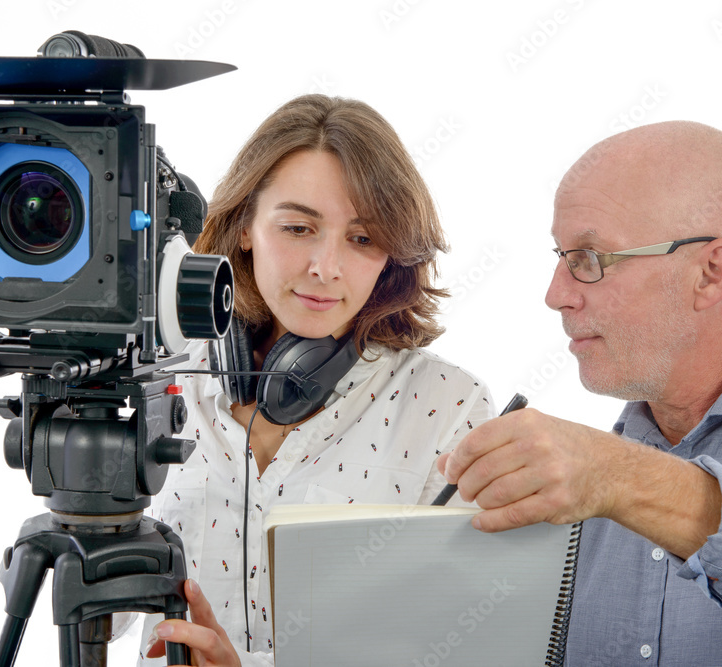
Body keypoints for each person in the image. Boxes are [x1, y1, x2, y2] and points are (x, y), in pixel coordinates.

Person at [439, 121, 722, 665]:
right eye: (560, 255)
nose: (556, 295)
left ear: (711, 273)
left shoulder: (600, 474)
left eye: (589, 259)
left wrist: (619, 478)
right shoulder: (575, 491)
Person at [138, 94, 496, 666]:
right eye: (300, 227)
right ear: (246, 225)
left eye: (362, 239)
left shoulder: (448, 407)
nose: (326, 267)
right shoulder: (160, 374)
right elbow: (97, 622)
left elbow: (464, 645)